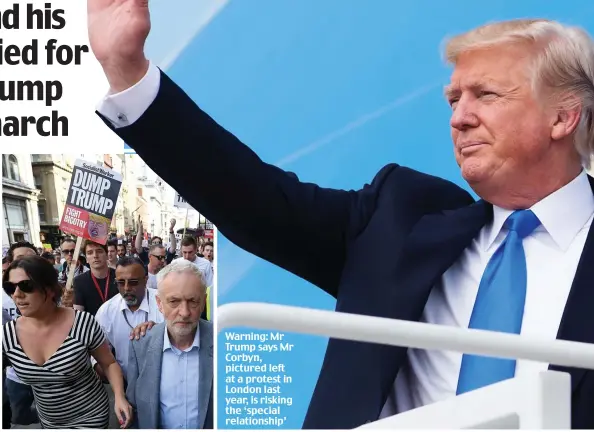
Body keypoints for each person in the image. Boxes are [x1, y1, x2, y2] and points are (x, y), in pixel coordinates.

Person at [90, 5, 594, 428]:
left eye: (485, 95)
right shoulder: (400, 217)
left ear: (562, 116)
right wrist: (128, 73)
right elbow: (255, 199)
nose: (459, 117)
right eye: (453, 99)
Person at [2, 255, 133, 428]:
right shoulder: (7, 335)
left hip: (90, 415)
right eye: (10, 287)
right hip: (49, 422)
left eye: (26, 286)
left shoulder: (82, 322)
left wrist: (119, 397)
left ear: (49, 289)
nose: (17, 294)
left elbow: (109, 363)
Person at [126, 259, 213, 429]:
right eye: (174, 301)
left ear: (204, 301)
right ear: (159, 303)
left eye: (193, 301)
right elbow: (135, 408)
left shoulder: (224, 340)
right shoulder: (140, 344)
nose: (184, 312)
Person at [95, 256, 163, 378]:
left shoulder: (164, 302)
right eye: (120, 283)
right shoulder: (106, 312)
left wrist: (161, 331)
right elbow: (97, 354)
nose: (126, 288)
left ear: (146, 280)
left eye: (133, 282)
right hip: (125, 384)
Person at [73, 240, 119, 316]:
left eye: (99, 251)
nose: (95, 255)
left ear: (107, 255)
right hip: (92, 325)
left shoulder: (119, 276)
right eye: (90, 253)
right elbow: (79, 314)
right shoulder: (79, 281)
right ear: (86, 259)